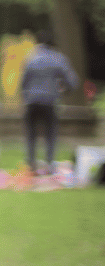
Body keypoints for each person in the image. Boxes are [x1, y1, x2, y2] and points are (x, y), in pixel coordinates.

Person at [21, 28, 80, 174]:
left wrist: (26, 95)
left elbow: (23, 82)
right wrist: (64, 89)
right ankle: (49, 164)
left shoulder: (30, 58)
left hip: (32, 101)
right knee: (50, 134)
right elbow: (73, 82)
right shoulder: (58, 58)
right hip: (49, 101)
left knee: (31, 134)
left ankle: (31, 164)